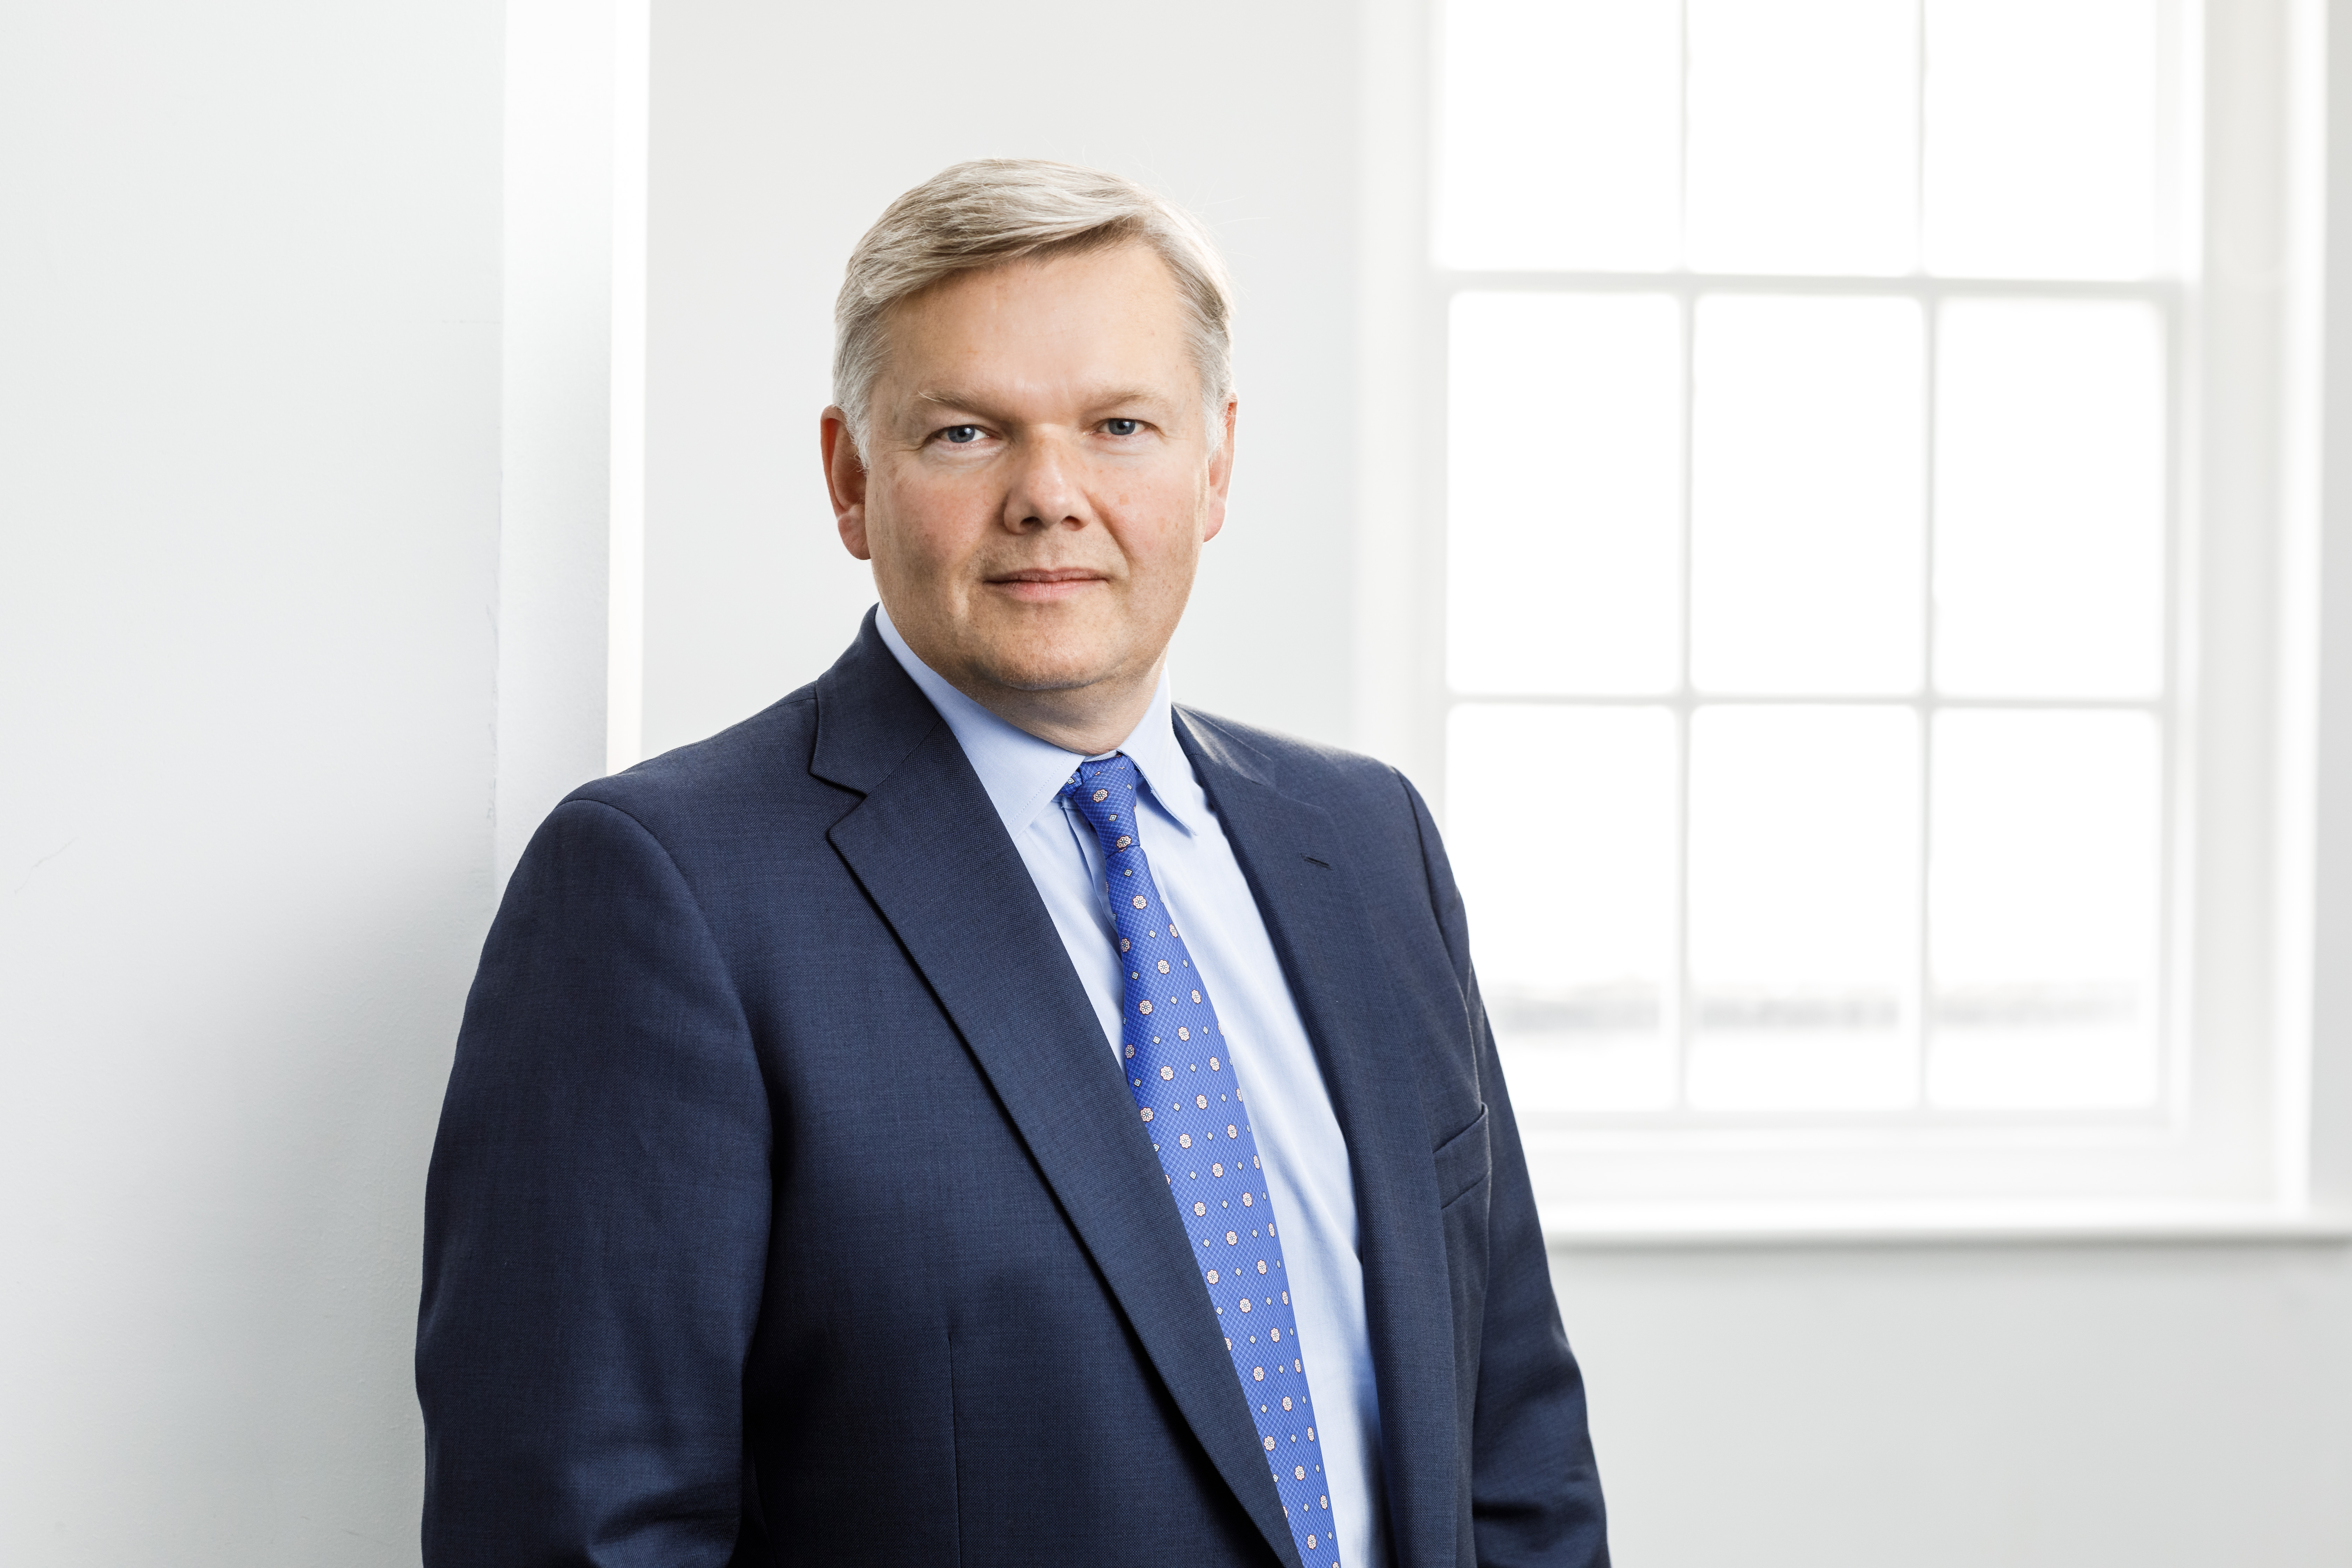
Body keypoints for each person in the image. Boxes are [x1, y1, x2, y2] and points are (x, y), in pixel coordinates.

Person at [416, 158, 1607, 1568]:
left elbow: (1512, 1448)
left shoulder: (1369, 845)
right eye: (971, 433)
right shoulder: (666, 892)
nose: (1052, 496)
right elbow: (581, 1533)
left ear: (1215, 462)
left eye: (1120, 424)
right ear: (851, 480)